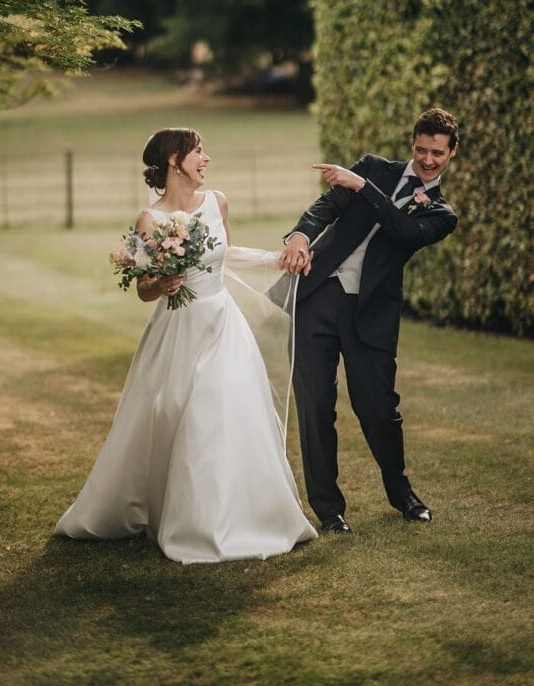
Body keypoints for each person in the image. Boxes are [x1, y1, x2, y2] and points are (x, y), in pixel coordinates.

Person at [54, 127, 317, 563]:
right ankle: (182, 519)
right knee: (174, 414)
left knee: (224, 407)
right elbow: (142, 289)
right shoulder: (149, 220)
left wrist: (276, 259)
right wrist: (161, 283)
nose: (206, 158)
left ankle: (240, 515)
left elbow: (225, 254)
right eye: (198, 151)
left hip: (223, 323)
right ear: (174, 161)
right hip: (178, 328)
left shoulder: (218, 202)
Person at [279, 108, 459, 533]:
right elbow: (327, 205)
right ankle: (328, 508)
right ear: (412, 142)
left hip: (371, 313)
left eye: (437, 153)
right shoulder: (374, 166)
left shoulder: (441, 212)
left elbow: (403, 232)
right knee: (315, 404)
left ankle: (402, 494)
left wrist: (362, 186)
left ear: (452, 152)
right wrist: (301, 235)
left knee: (378, 409)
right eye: (420, 149)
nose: (427, 159)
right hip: (318, 297)